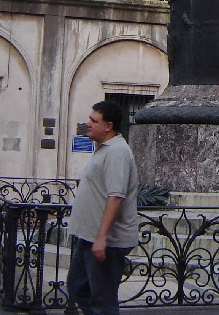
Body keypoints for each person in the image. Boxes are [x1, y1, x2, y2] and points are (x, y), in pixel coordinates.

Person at [67, 101, 139, 315]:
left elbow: (116, 197)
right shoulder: (103, 149)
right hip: (88, 236)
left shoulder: (117, 152)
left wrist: (101, 238)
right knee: (78, 286)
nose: (87, 123)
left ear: (108, 126)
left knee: (103, 301)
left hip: (106, 241)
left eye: (93, 120)